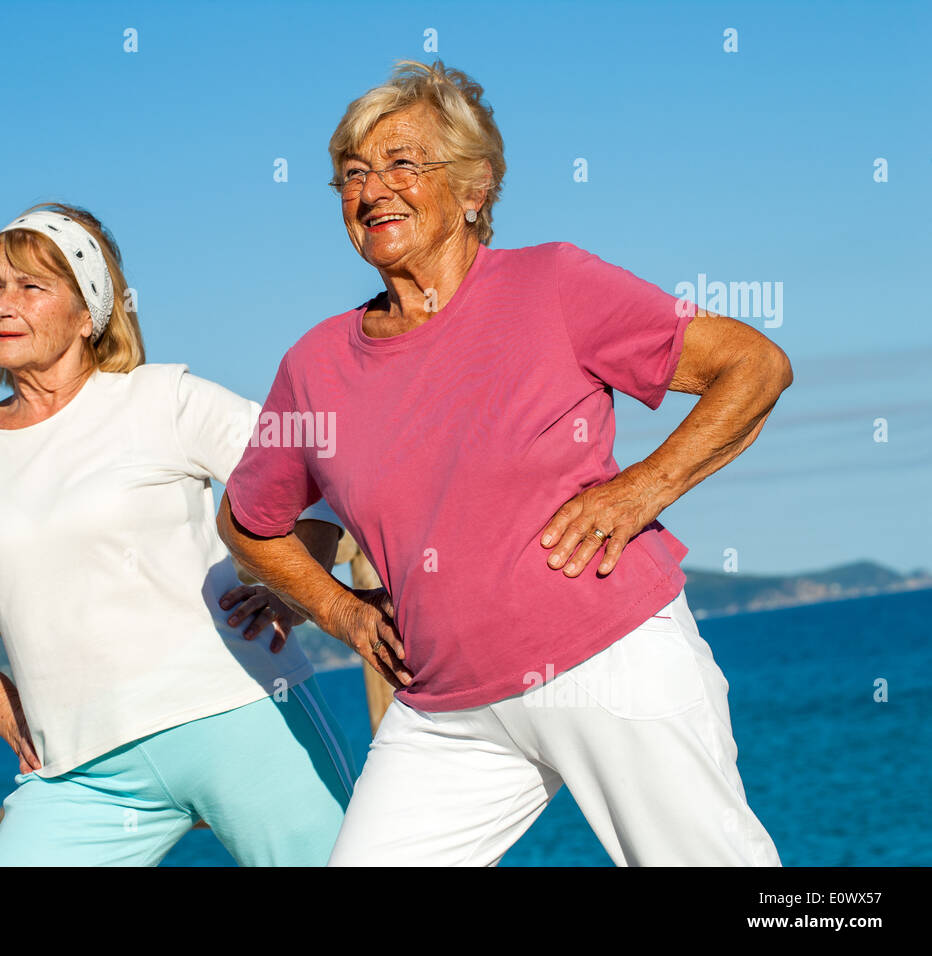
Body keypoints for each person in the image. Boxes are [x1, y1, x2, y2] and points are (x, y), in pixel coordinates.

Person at [218, 60, 791, 866]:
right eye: (353, 174)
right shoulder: (314, 366)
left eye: (402, 164)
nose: (373, 189)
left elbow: (755, 366)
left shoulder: (551, 283)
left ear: (474, 188)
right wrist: (344, 613)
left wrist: (636, 494)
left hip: (609, 658)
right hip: (444, 711)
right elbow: (250, 523)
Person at [0, 202, 355, 866]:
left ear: (87, 314)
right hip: (79, 773)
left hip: (242, 716)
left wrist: (297, 593)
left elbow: (315, 472)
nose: (4, 303)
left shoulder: (160, 400)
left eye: (31, 286)